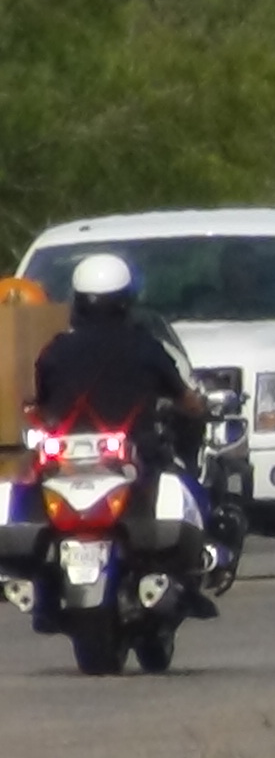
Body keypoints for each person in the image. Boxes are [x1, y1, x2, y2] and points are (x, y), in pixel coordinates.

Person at [28, 254, 226, 619]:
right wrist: (199, 407)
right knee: (183, 485)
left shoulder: (55, 350)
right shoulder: (145, 347)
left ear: (78, 300)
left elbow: (41, 405)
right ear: (126, 300)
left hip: (66, 462)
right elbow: (185, 399)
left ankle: (49, 589)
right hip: (135, 456)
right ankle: (185, 578)